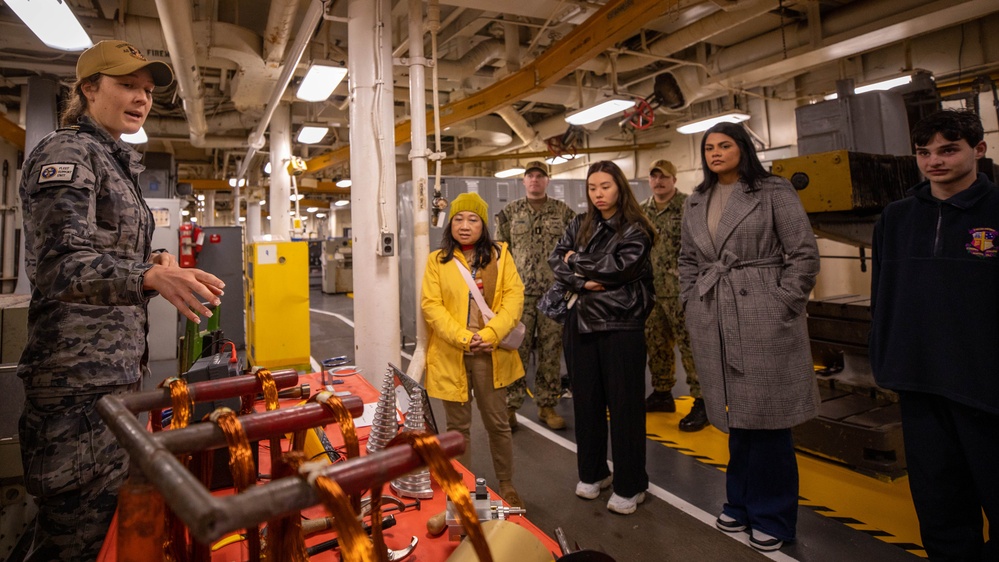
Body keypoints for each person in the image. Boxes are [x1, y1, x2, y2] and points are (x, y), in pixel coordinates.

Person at [17, 40, 225, 562]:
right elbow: (58, 264)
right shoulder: (68, 153)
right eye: (126, 85)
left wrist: (156, 262)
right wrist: (147, 277)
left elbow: (109, 246)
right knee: (76, 538)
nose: (141, 98)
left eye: (148, 91)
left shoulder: (112, 159)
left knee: (107, 526)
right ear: (89, 89)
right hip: (75, 387)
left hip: (110, 376)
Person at [678, 122, 819, 551]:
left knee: (769, 420)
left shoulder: (773, 190)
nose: (716, 153)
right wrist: (689, 300)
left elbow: (803, 254)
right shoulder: (696, 199)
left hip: (761, 312)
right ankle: (739, 503)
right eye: (709, 147)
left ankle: (773, 515)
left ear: (743, 148)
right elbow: (687, 258)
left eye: (725, 145)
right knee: (737, 416)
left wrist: (782, 303)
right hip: (713, 312)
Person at [869, 109, 998, 561]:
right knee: (939, 503)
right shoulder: (897, 219)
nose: (934, 161)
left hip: (986, 386)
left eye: (948, 150)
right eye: (924, 152)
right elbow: (883, 295)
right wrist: (886, 362)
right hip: (920, 381)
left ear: (978, 150)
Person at [551, 160, 655, 515]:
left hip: (620, 325)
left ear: (620, 187)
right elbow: (555, 260)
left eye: (605, 186)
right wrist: (583, 280)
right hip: (579, 324)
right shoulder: (578, 223)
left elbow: (621, 268)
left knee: (625, 407)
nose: (598, 194)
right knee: (586, 403)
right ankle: (593, 472)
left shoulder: (636, 229)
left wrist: (576, 261)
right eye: (593, 187)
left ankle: (631, 484)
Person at [421, 192, 526, 507]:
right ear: (450, 223)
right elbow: (432, 306)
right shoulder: (437, 260)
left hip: (490, 353)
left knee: (497, 422)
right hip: (453, 353)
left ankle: (506, 484)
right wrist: (464, 337)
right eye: (458, 219)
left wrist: (491, 333)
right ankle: (461, 484)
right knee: (457, 428)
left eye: (473, 219)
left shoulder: (499, 256)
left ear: (484, 225)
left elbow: (514, 298)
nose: (465, 226)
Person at [496, 160, 576, 430]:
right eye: (530, 176)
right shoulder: (510, 212)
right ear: (523, 181)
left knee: (551, 351)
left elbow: (575, 249)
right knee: (516, 350)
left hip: (553, 294)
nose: (534, 180)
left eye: (539, 176)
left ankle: (547, 405)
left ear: (547, 180)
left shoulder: (564, 212)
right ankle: (510, 404)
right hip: (519, 295)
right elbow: (500, 254)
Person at [639, 159, 706, 431]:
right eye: (654, 177)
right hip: (653, 292)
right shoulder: (641, 212)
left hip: (684, 293)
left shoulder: (690, 206)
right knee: (656, 346)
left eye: (664, 177)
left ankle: (704, 401)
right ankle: (663, 393)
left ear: (674, 180)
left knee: (692, 349)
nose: (658, 182)